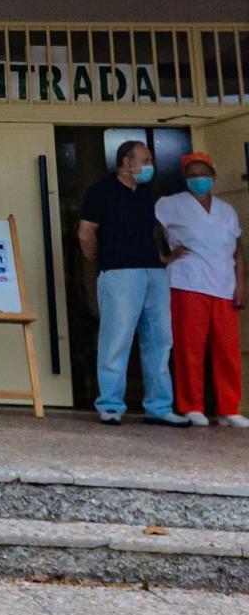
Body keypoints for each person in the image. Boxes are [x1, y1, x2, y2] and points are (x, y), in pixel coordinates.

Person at [78, 140, 189, 426]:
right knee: (116, 339)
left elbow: (153, 232)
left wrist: (164, 258)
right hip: (119, 272)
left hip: (153, 273)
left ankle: (159, 407)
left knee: (160, 339)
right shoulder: (100, 192)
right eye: (145, 159)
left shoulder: (146, 194)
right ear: (126, 162)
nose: (149, 164)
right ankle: (111, 406)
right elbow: (86, 234)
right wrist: (101, 262)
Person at [158, 151, 246, 427]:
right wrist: (164, 257)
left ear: (213, 176)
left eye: (204, 174)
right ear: (185, 178)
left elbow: (238, 249)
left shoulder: (226, 210)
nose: (199, 179)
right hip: (188, 282)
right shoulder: (170, 204)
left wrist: (241, 283)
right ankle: (191, 405)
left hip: (223, 285)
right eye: (193, 175)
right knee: (189, 347)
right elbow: (145, 231)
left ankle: (228, 408)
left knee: (227, 349)